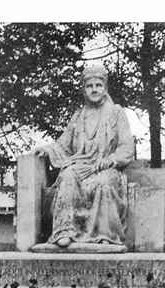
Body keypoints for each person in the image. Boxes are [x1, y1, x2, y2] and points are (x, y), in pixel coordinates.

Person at [34, 63, 134, 248]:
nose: (94, 89)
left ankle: (106, 234)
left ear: (105, 88)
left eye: (98, 85)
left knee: (104, 183)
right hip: (81, 166)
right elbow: (63, 144)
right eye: (89, 86)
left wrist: (110, 160)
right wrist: (48, 150)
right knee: (67, 176)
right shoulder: (79, 116)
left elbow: (127, 148)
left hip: (107, 168)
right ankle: (64, 231)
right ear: (84, 90)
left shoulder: (116, 113)